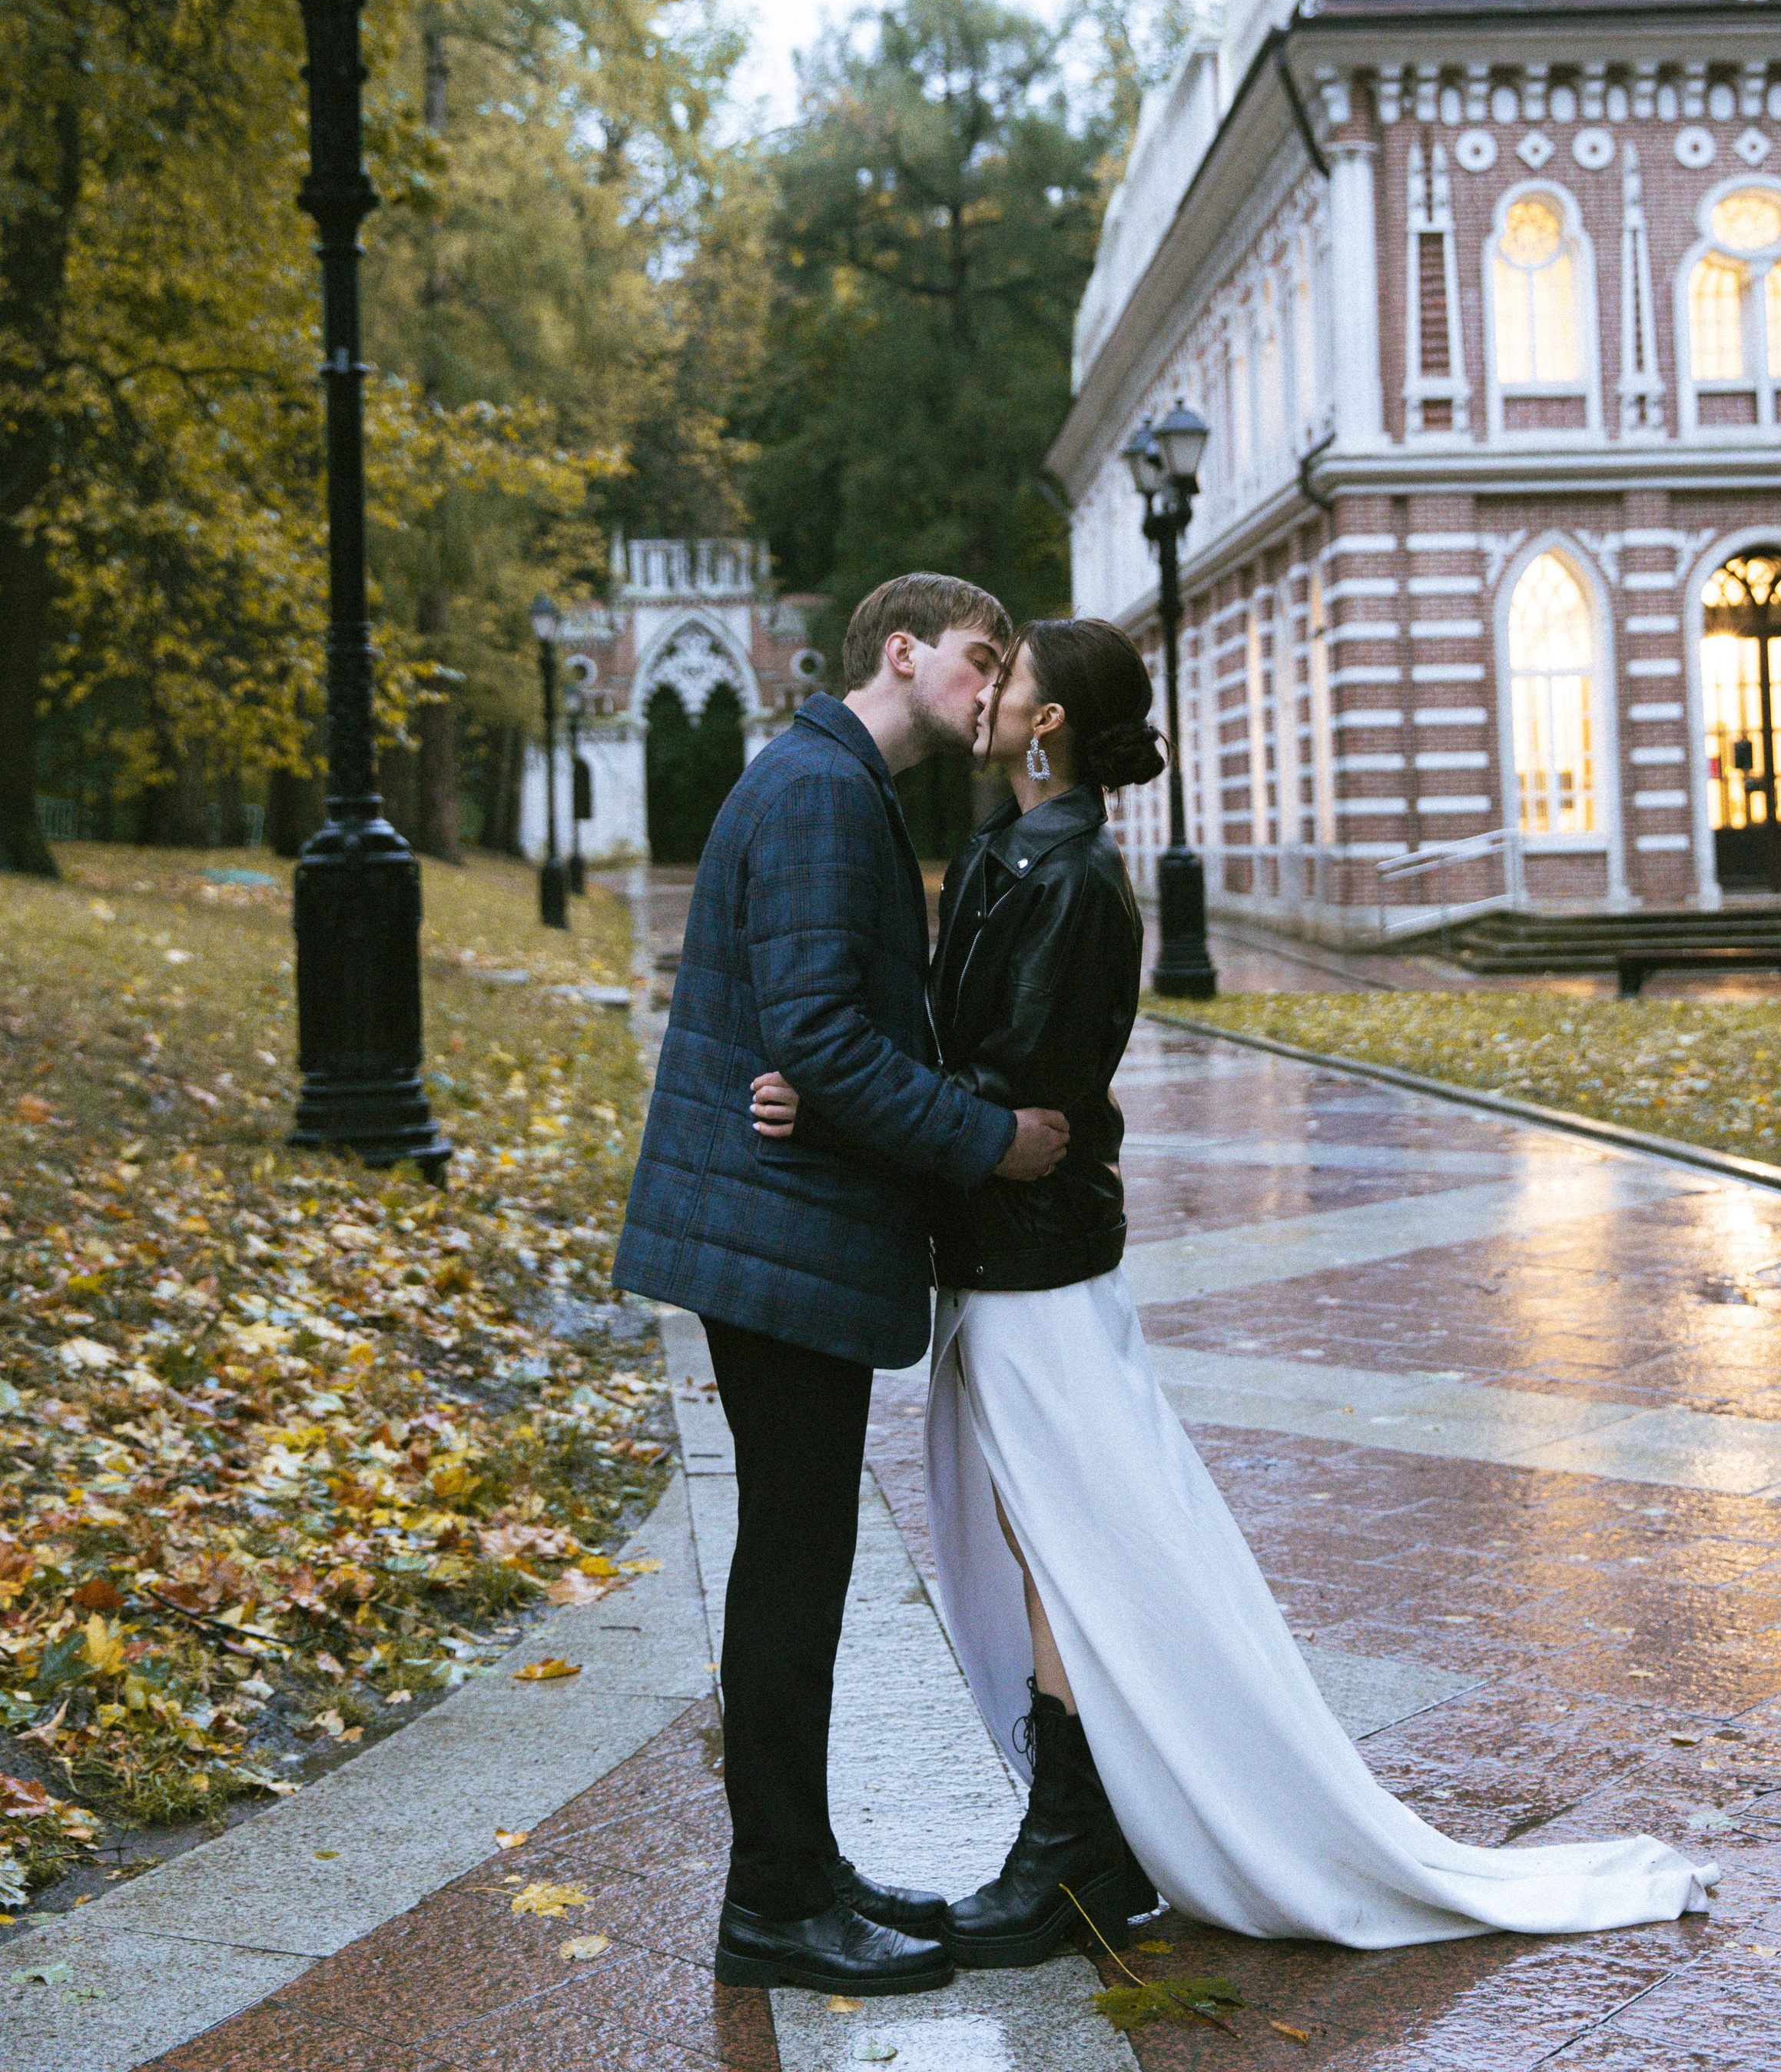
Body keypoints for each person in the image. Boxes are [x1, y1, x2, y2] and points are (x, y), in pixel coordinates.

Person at [752, 615, 1713, 1962]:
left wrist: (841, 1106)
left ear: (1047, 726)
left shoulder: (1078, 878)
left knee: (1075, 1547)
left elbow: (1019, 1089)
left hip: (1037, 1268)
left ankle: (1074, 1850)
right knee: (1050, 1542)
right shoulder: (1000, 852)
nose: (986, 698)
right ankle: (1082, 1836)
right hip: (987, 1257)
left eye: (1010, 680)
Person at [612, 573, 1072, 1998]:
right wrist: (991, 1143)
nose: (992, 689)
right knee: (796, 1562)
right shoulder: (820, 791)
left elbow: (810, 1028)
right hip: (772, 1238)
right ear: (902, 652)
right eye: (978, 661)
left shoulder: (832, 781)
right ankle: (772, 1903)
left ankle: (803, 1870)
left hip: (779, 1221)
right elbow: (816, 1025)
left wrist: (818, 1080)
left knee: (801, 1555)